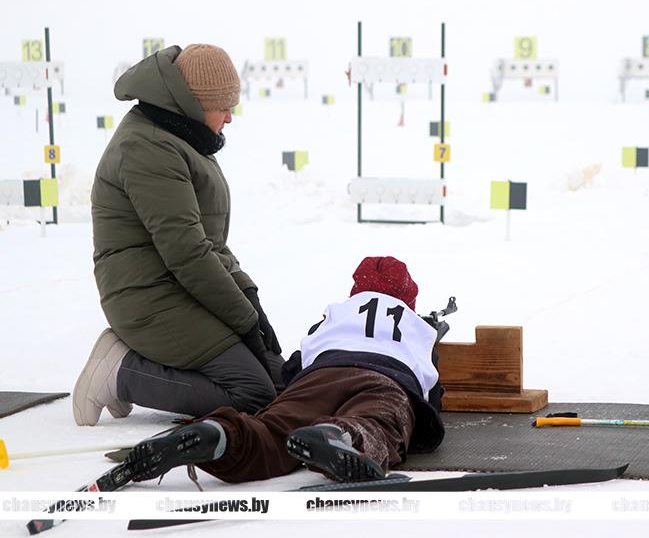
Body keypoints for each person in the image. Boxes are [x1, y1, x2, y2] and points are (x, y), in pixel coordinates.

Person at [73, 44, 284, 427]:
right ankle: (121, 371)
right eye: (224, 106)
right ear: (192, 102)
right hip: (147, 295)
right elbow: (187, 252)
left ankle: (138, 363)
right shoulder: (149, 146)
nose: (230, 117)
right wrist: (244, 321)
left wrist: (250, 300)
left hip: (177, 285)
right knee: (252, 394)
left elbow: (209, 244)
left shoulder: (180, 135)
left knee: (274, 377)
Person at [119, 256, 446, 485]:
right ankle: (341, 435)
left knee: (271, 430)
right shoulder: (418, 326)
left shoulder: (337, 313)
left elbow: (295, 365)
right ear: (409, 301)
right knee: (375, 421)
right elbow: (432, 392)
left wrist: (299, 393)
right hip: (384, 382)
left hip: (320, 375)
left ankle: (221, 435)